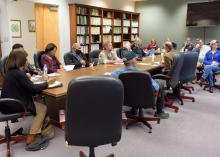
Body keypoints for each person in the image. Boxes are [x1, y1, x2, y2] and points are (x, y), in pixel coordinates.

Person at [1, 50, 55, 145]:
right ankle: (32, 135)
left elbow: (25, 86)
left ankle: (40, 128)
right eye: (25, 59)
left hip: (5, 104)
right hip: (15, 105)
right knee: (43, 108)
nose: (27, 61)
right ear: (21, 61)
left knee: (39, 104)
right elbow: (33, 89)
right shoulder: (19, 74)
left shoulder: (11, 72)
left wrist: (28, 79)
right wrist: (48, 83)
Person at [111, 51, 169, 119]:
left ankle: (134, 110)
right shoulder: (143, 75)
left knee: (132, 87)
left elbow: (113, 84)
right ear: (132, 61)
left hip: (126, 99)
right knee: (160, 85)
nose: (136, 60)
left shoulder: (116, 73)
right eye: (135, 59)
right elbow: (156, 88)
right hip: (143, 98)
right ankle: (160, 112)